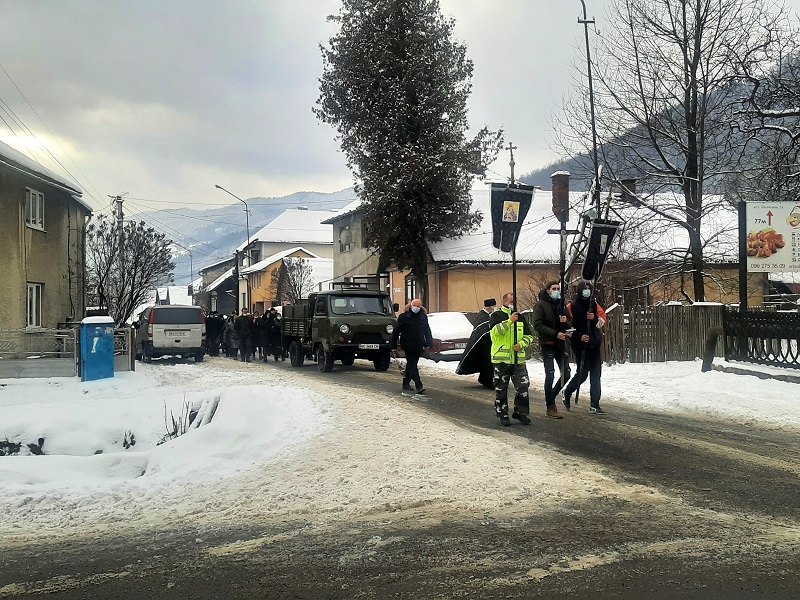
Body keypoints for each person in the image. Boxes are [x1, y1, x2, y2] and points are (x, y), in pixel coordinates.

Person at [562, 280, 608, 414]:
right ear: (580, 290)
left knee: (596, 374)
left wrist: (593, 318)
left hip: (594, 343)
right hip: (580, 345)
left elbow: (600, 322)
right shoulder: (572, 306)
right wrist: (579, 336)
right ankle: (568, 391)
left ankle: (595, 404)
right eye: (585, 288)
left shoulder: (593, 304)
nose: (587, 291)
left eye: (589, 288)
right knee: (582, 374)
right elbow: (567, 328)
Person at [489, 292, 534, 426]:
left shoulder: (521, 317)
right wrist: (509, 321)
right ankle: (502, 413)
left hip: (518, 360)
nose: (513, 303)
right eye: (510, 301)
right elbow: (496, 332)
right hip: (501, 361)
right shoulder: (496, 316)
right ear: (504, 301)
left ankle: (520, 412)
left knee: (523, 386)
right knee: (501, 389)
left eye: (514, 301)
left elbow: (529, 336)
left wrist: (522, 344)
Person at [532, 281, 571, 419]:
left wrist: (565, 321)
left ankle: (551, 396)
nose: (556, 291)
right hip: (548, 343)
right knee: (550, 375)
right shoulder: (541, 305)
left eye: (558, 289)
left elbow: (570, 323)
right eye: (554, 289)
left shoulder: (561, 305)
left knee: (566, 373)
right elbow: (537, 324)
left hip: (560, 344)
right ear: (548, 290)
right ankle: (550, 407)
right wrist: (555, 333)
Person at [390, 298, 433, 395]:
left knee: (411, 365)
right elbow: (396, 331)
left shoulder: (423, 317)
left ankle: (405, 384)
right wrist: (393, 344)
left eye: (418, 306)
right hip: (407, 344)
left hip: (419, 345)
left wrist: (429, 342)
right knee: (412, 365)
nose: (416, 308)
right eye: (415, 306)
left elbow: (427, 330)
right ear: (411, 306)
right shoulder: (404, 317)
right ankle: (419, 385)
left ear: (420, 307)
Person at [455, 298, 496, 388]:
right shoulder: (481, 316)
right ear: (489, 307)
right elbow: (480, 329)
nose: (494, 308)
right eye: (493, 307)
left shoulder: (492, 315)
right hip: (481, 344)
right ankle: (487, 381)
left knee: (489, 363)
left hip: (490, 343)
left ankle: (485, 379)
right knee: (487, 363)